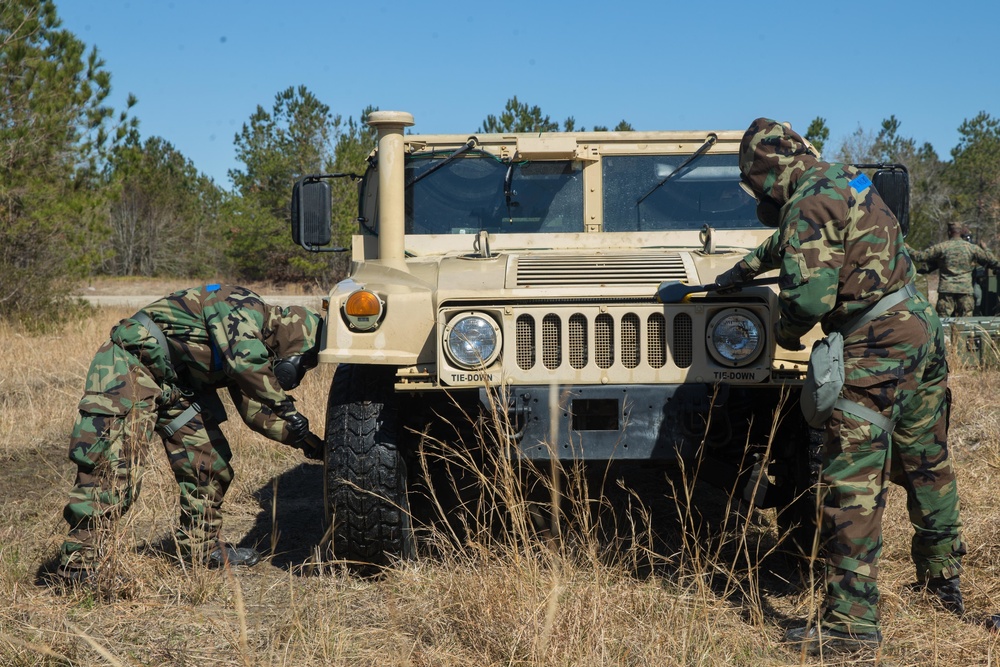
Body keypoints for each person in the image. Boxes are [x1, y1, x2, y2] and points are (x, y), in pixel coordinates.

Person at [716, 118, 967, 656]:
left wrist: (778, 333)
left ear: (767, 173)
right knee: (926, 462)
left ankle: (851, 628)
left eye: (756, 183)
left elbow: (808, 300)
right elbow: (805, 235)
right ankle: (942, 583)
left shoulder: (805, 203)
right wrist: (741, 270)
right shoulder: (845, 178)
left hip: (874, 342)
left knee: (850, 478)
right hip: (917, 326)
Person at [57, 284, 325, 581]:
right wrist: (288, 407)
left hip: (174, 385)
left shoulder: (252, 346)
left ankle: (200, 548)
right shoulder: (242, 305)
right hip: (129, 367)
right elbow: (245, 365)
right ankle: (81, 563)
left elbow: (259, 414)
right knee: (114, 465)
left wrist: (311, 444)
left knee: (210, 461)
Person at [907, 222, 1000, 317]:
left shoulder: (942, 247)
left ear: (949, 232)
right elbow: (992, 261)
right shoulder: (971, 248)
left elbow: (919, 256)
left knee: (944, 321)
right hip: (965, 290)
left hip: (946, 290)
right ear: (960, 232)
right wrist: (986, 248)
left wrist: (906, 247)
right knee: (966, 322)